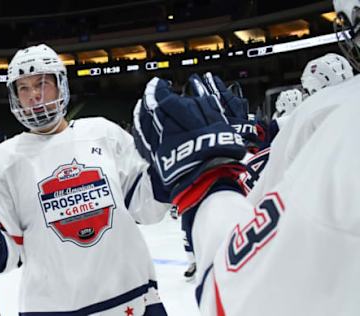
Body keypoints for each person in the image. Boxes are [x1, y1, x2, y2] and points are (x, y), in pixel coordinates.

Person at [134, 0, 360, 314]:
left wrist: (207, 184)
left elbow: (246, 294)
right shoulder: (330, 114)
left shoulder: (336, 122)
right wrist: (256, 131)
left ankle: (193, 256)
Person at [0, 44, 170, 315]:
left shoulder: (103, 133)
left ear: (61, 86)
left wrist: (170, 167)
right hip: (51, 309)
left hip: (132, 300)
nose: (34, 96)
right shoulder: (2, 161)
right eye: (23, 88)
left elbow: (147, 209)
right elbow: (8, 253)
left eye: (42, 84)